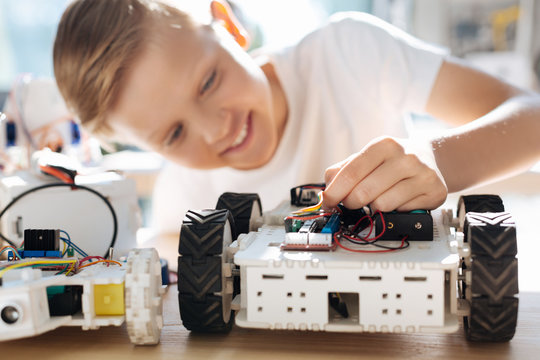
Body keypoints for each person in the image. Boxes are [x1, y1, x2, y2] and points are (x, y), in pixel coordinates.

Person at [53, 0, 540, 233]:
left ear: (228, 24)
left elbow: (532, 117)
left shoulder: (347, 52)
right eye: (174, 133)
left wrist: (437, 161)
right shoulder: (184, 197)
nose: (215, 128)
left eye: (207, 82)